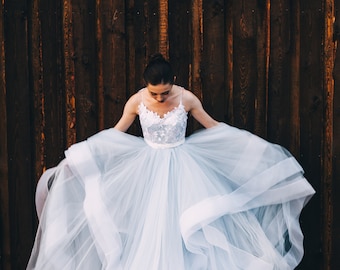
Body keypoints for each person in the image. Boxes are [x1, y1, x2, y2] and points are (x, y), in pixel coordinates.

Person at [27, 53, 315, 270]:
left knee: (186, 227)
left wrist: (248, 145)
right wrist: (86, 154)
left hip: (184, 167)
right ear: (146, 87)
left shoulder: (186, 99)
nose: (161, 97)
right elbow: (116, 134)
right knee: (150, 228)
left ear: (173, 83)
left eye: (165, 92)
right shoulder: (136, 101)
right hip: (148, 169)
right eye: (155, 93)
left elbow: (212, 125)